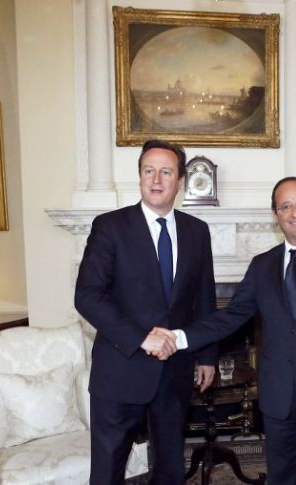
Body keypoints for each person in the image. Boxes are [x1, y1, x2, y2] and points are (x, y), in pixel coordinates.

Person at [155, 176, 296, 485]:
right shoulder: (262, 266)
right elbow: (231, 317)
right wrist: (180, 337)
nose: (295, 212)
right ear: (276, 214)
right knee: (280, 477)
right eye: (286, 206)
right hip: (277, 394)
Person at [74, 139, 218, 484]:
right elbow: (87, 296)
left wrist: (208, 356)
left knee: (170, 469)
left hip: (175, 373)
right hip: (120, 370)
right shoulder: (110, 227)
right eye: (148, 171)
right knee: (108, 471)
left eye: (166, 172)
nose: (156, 179)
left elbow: (205, 300)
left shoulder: (197, 231)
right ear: (139, 176)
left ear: (180, 181)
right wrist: (142, 338)